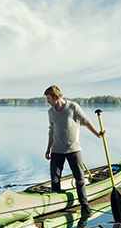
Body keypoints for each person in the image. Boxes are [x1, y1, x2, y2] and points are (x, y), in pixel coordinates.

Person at [44, 85, 106, 216]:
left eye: (49, 98)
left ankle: (84, 204)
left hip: (73, 149)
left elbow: (86, 121)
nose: (47, 101)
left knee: (79, 178)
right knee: (55, 179)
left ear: (55, 96)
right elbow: (51, 130)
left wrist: (98, 134)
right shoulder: (50, 112)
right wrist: (48, 149)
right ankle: (56, 205)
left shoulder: (73, 107)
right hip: (57, 150)